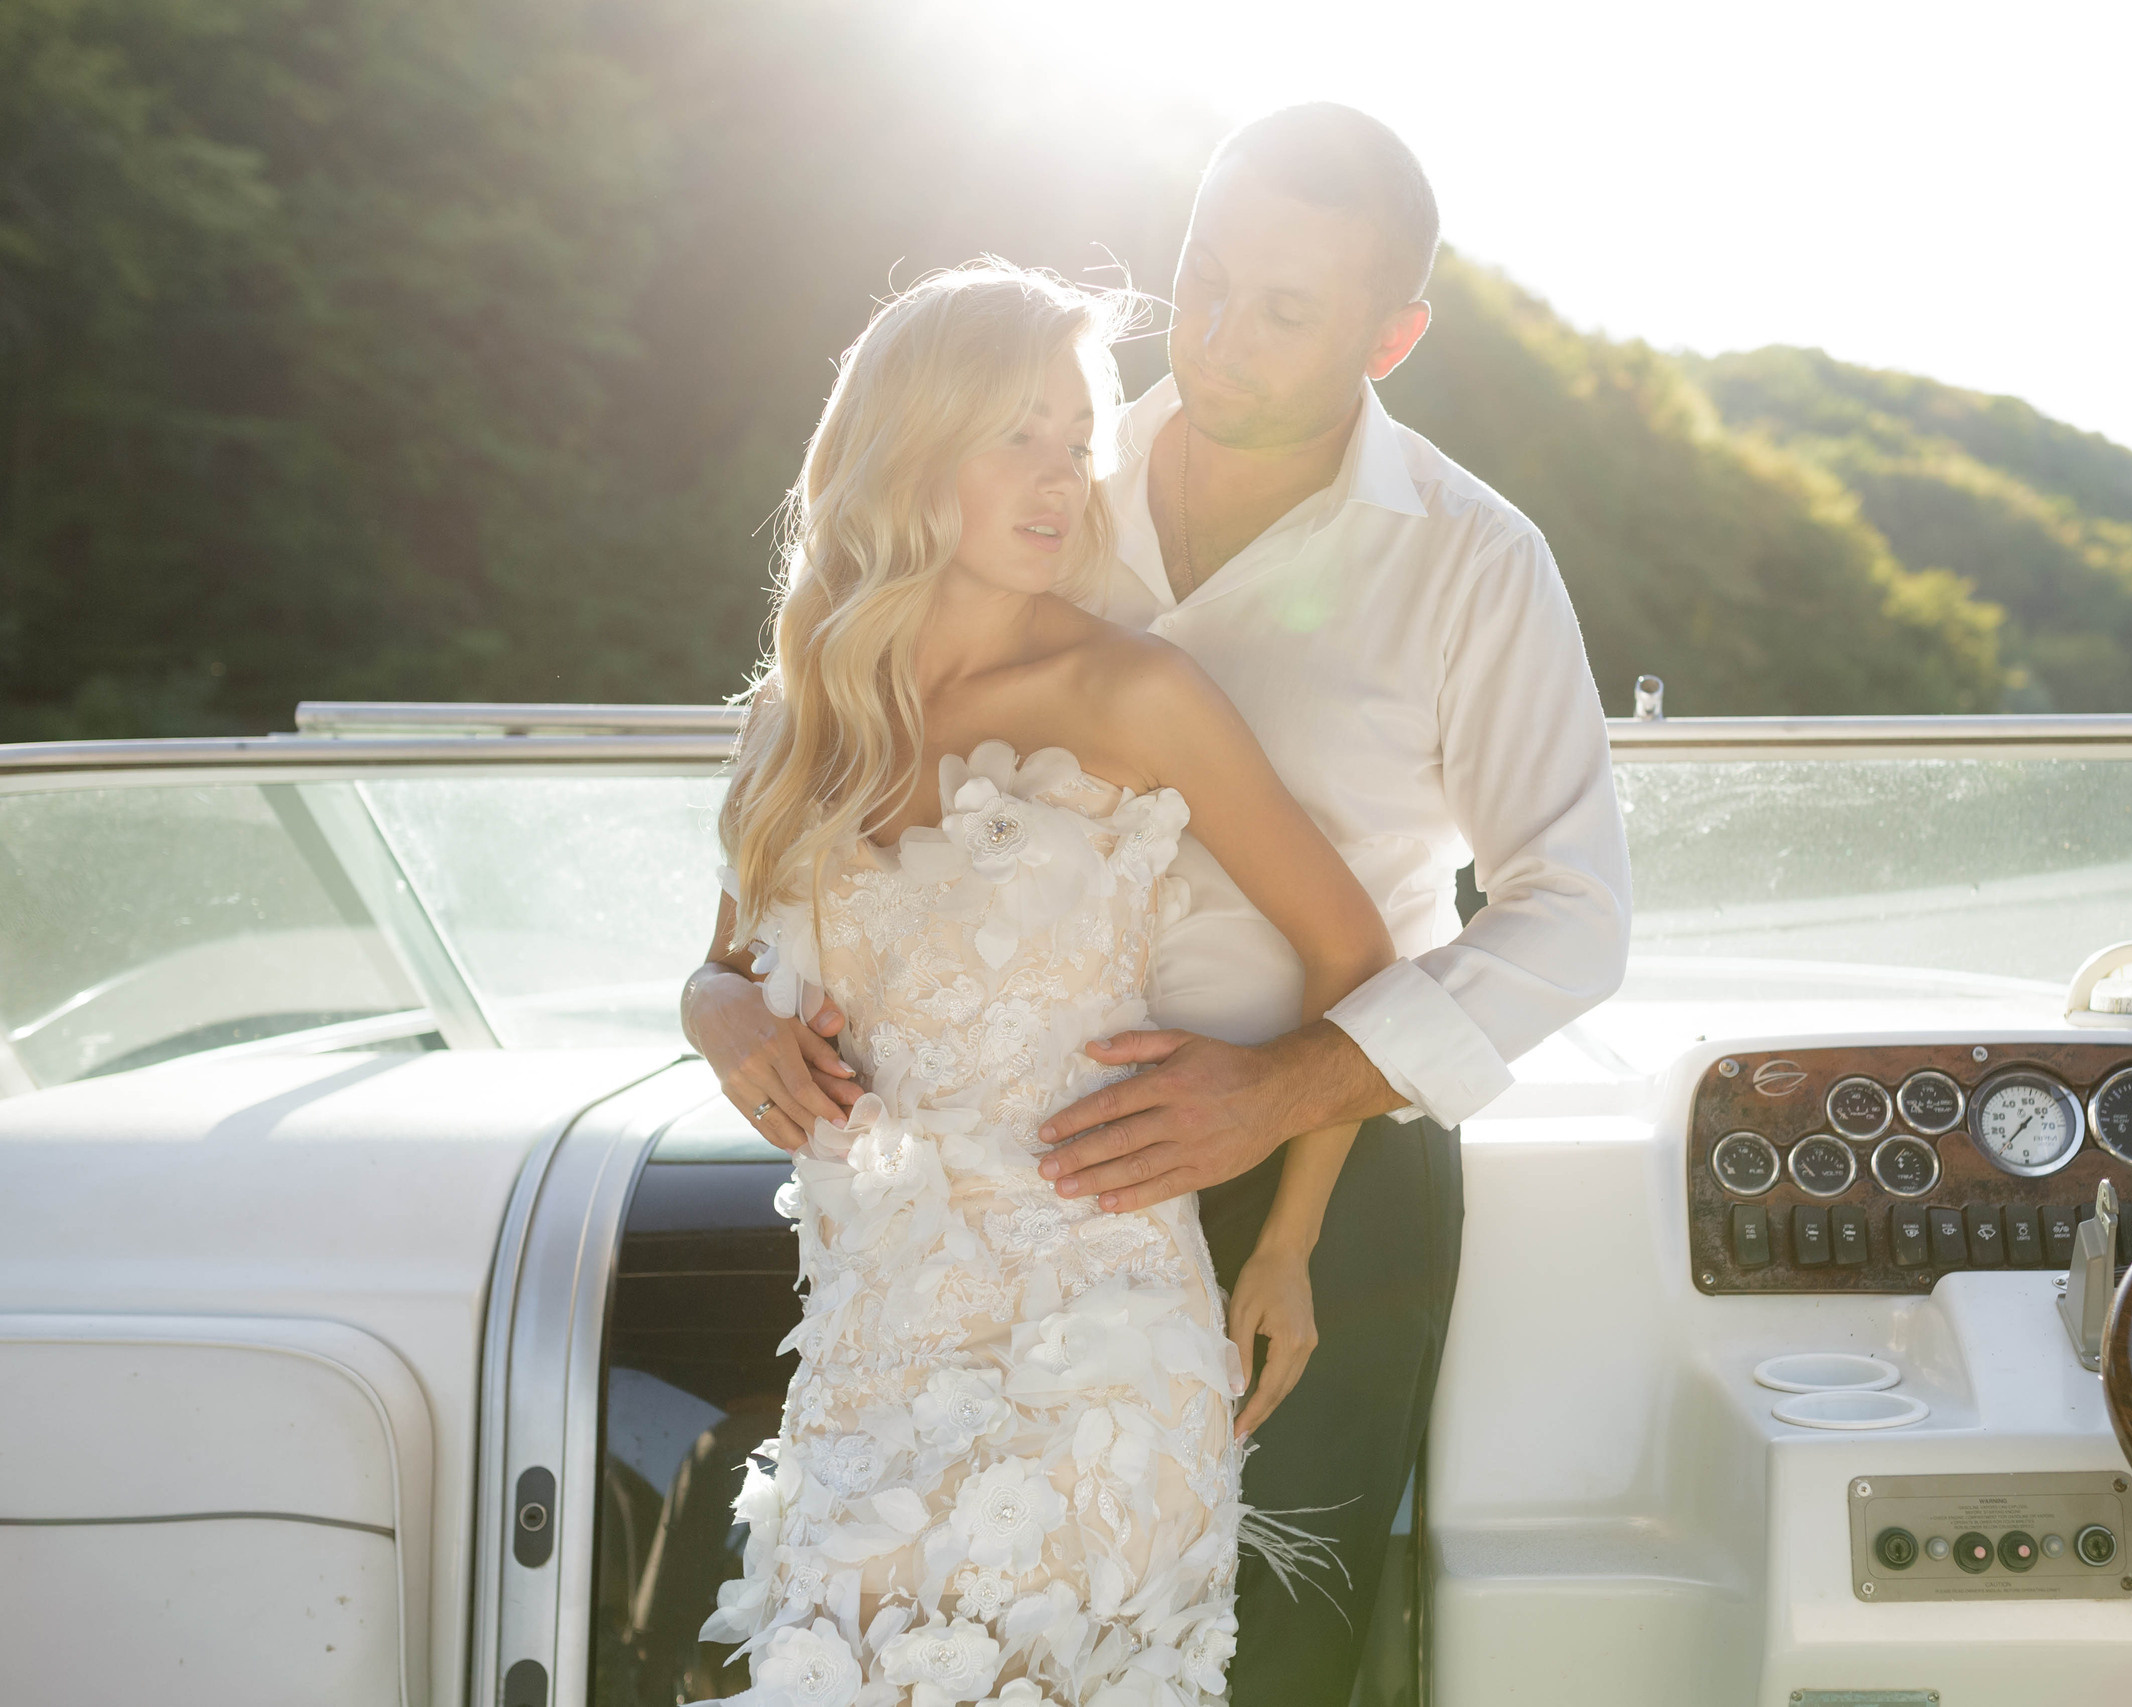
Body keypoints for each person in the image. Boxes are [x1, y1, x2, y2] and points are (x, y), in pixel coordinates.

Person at [685, 106, 1633, 1704]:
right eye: (1203, 278)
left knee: (1253, 1666)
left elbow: (1575, 915)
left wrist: (1287, 1092)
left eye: (1285, 310)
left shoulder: (1474, 559)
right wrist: (716, 1003)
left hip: (1326, 1161)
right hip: (958, 1224)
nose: (1216, 334)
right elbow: (775, 888)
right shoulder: (1047, 463)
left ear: (1389, 335)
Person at [688, 260, 1396, 1706]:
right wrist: (719, 1020)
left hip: (1097, 1349)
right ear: (907, 444)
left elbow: (1357, 958)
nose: (1061, 476)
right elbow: (719, 969)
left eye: (1076, 441)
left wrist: (1286, 1247)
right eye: (1016, 433)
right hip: (866, 1352)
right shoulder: (802, 711)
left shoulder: (1135, 693)